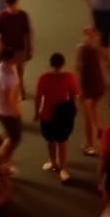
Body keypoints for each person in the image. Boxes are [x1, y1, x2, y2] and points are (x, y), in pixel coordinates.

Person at [35, 52, 79, 184]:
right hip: (63, 115)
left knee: (50, 140)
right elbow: (74, 95)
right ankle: (63, 168)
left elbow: (38, 97)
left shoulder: (43, 78)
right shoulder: (69, 77)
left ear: (51, 63)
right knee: (62, 141)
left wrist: (37, 112)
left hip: (47, 115)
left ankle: (54, 162)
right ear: (62, 64)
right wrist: (72, 107)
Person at [0, 0, 33, 97]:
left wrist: (29, 48)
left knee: (20, 70)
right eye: (10, 6)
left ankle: (21, 89)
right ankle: (9, 91)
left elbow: (27, 33)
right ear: (6, 5)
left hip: (19, 47)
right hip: (6, 49)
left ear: (17, 3)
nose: (12, 8)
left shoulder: (23, 15)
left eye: (14, 5)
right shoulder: (0, 17)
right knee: (6, 71)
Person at [76, 25, 109, 156]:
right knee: (91, 112)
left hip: (90, 86)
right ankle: (96, 132)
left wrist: (78, 89)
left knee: (88, 116)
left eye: (91, 35)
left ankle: (91, 143)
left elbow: (78, 68)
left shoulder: (84, 49)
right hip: (95, 84)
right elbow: (105, 62)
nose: (89, 37)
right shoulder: (96, 49)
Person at [0, 48, 22, 172]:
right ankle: (0, 164)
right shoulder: (8, 77)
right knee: (14, 139)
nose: (18, 58)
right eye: (16, 57)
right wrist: (17, 113)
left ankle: (3, 162)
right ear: (10, 59)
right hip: (7, 113)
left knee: (9, 136)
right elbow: (10, 100)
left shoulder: (2, 67)